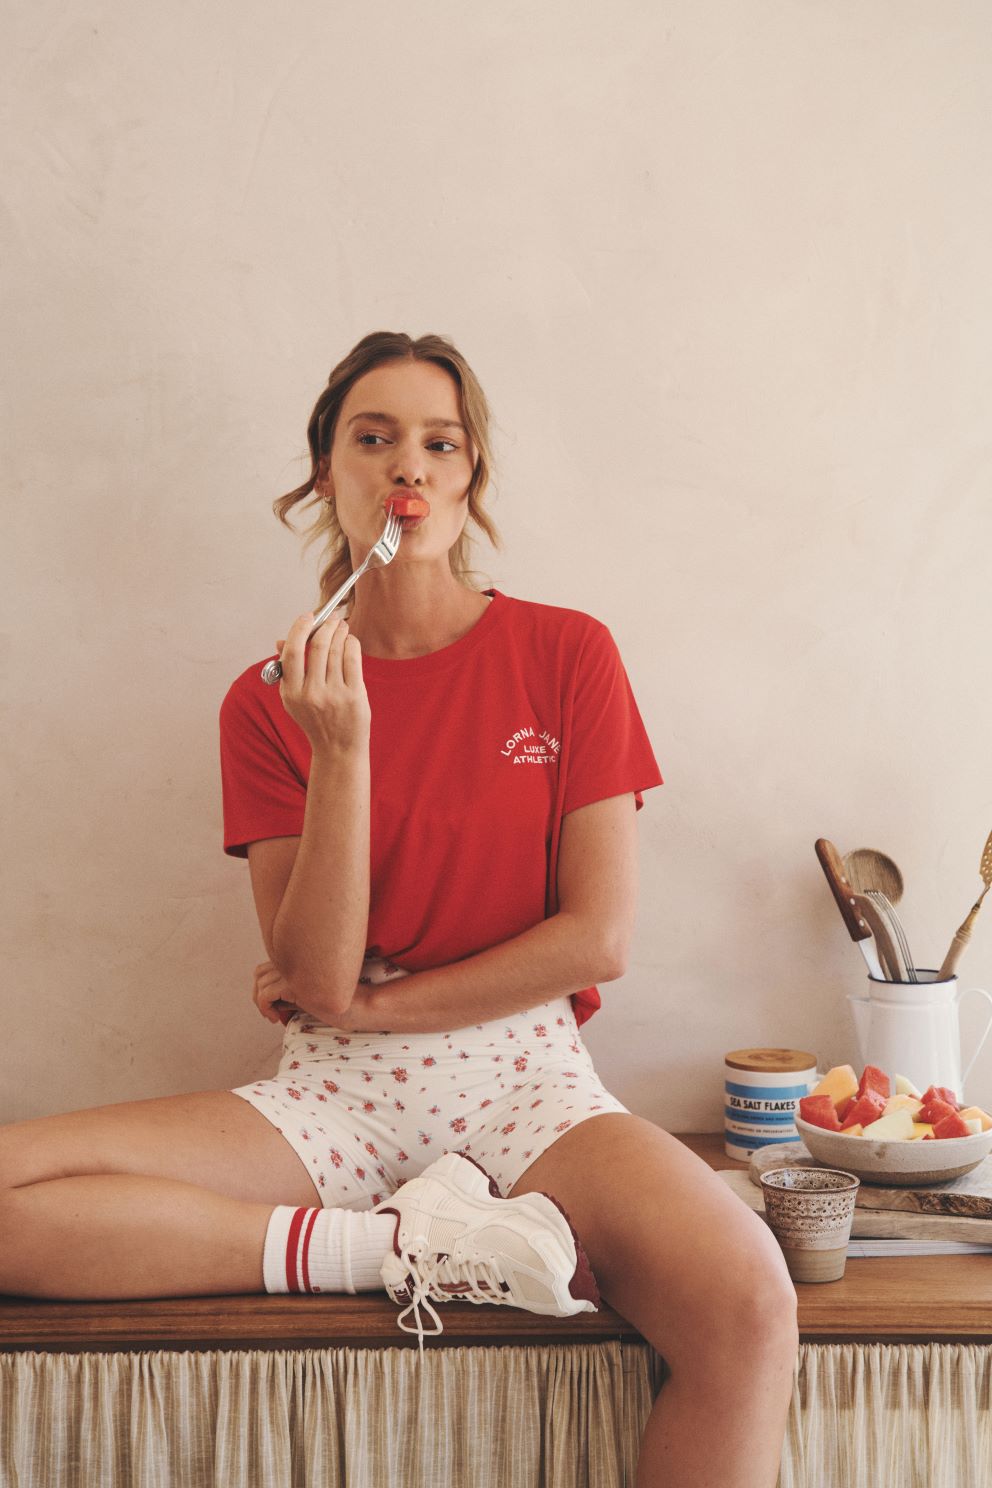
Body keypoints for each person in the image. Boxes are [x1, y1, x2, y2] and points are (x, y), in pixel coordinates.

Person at [0, 331, 798, 1485]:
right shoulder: (269, 702)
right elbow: (319, 982)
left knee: (746, 1304)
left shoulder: (567, 653)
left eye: (439, 442)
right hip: (339, 1089)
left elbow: (596, 939)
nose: (405, 467)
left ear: (470, 476)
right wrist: (345, 746)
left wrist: (388, 1007)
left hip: (530, 1081)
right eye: (371, 440)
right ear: (327, 473)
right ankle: (397, 1252)